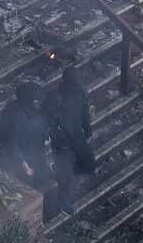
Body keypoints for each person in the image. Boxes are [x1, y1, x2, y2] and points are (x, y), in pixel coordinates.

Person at [44, 66, 94, 214]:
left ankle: (66, 185)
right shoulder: (55, 97)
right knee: (65, 175)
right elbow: (46, 116)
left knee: (86, 166)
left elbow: (85, 113)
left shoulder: (80, 92)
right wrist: (50, 133)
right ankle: (63, 200)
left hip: (77, 137)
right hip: (61, 143)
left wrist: (88, 129)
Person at [1, 82, 54, 193]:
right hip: (23, 156)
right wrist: (25, 166)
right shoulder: (16, 117)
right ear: (27, 99)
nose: (38, 103)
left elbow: (42, 123)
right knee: (29, 183)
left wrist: (46, 136)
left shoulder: (32, 110)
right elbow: (12, 144)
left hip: (35, 149)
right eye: (35, 100)